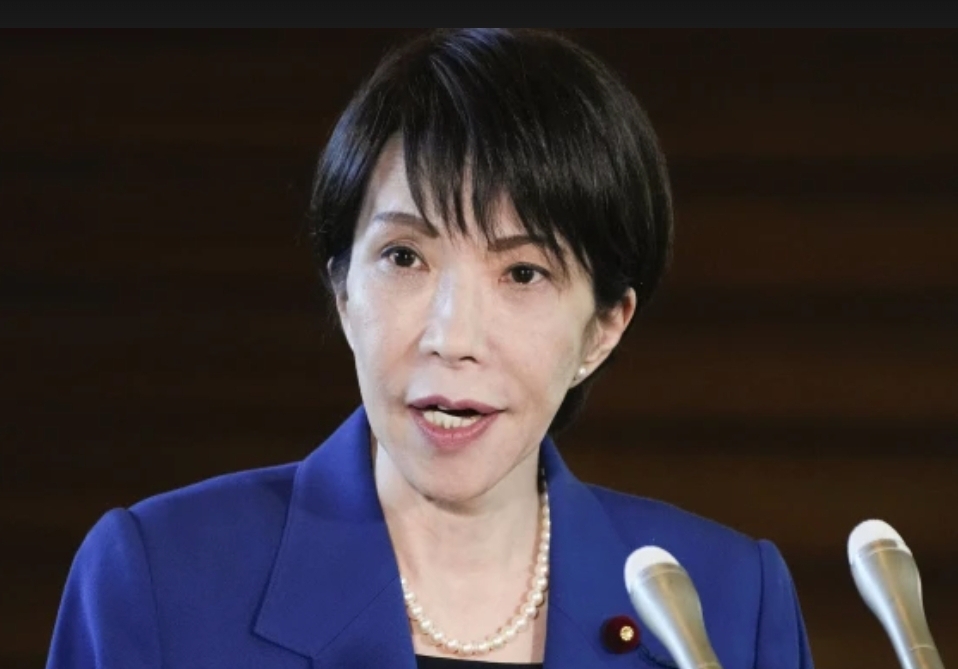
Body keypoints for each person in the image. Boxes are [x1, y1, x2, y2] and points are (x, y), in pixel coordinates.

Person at [46, 28, 814, 668]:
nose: (452, 338)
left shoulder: (723, 604)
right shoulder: (160, 578)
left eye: (523, 272)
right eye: (405, 257)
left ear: (604, 327)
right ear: (343, 288)